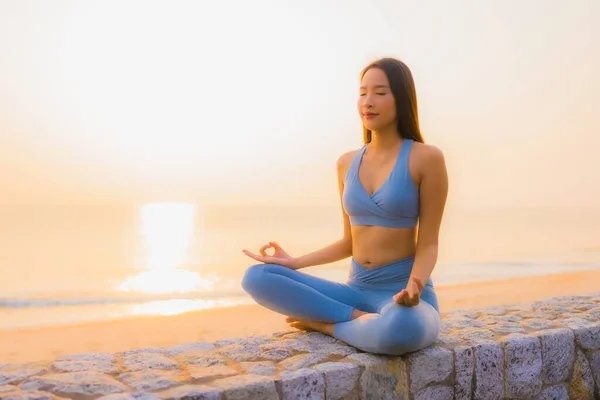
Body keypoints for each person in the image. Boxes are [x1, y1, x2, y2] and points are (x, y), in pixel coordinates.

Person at [241, 57, 449, 356]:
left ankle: (325, 325)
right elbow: (349, 242)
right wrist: (294, 262)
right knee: (257, 277)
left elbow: (428, 244)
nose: (368, 101)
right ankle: (357, 320)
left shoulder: (426, 158)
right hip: (354, 291)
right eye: (363, 93)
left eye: (380, 92)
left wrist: (415, 284)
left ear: (401, 98)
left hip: (403, 296)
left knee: (402, 328)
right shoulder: (346, 163)